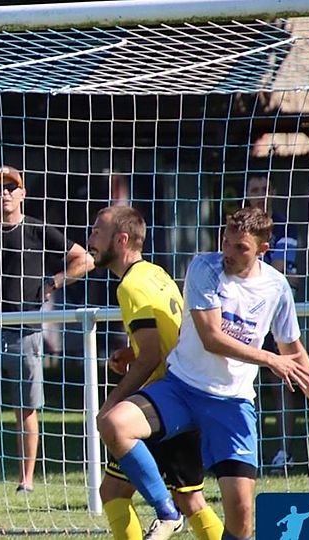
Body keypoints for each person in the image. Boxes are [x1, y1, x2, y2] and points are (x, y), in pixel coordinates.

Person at [96, 206, 309, 540]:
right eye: (226, 242)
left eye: (241, 248)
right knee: (112, 422)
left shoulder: (277, 288)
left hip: (232, 404)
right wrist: (269, 359)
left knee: (242, 521)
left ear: (262, 250)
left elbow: (292, 351)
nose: (229, 253)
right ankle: (166, 512)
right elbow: (211, 338)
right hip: (180, 389)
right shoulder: (204, 267)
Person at [0, 166, 94, 496]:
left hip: (26, 333)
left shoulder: (38, 231)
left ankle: (26, 481)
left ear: (22, 194)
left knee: (26, 409)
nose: (4, 193)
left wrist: (55, 281)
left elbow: (84, 260)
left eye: (11, 188)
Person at [88, 206, 223, 540]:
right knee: (120, 493)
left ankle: (166, 514)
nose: (89, 238)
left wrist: (114, 401)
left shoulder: (130, 286)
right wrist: (131, 352)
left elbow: (151, 357)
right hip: (176, 392)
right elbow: (167, 336)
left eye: (96, 232)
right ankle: (168, 511)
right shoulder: (155, 272)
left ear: (120, 240)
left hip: (164, 404)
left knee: (185, 500)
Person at [245, 174, 301, 467]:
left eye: (266, 189)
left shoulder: (285, 226)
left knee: (281, 381)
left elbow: (284, 272)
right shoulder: (238, 227)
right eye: (254, 190)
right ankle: (245, 450)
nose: (260, 194)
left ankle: (283, 451)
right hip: (244, 314)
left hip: (275, 312)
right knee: (242, 382)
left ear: (275, 192)